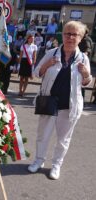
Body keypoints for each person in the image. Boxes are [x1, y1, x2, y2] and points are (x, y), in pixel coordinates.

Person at [28, 21, 92, 180]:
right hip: (49, 102)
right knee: (43, 135)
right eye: (67, 33)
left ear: (81, 37)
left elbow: (87, 82)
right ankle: (39, 161)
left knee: (63, 139)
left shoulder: (83, 58)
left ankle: (56, 165)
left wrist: (85, 74)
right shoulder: (51, 53)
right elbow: (37, 73)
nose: (70, 37)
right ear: (62, 35)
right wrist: (47, 65)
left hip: (69, 105)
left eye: (74, 34)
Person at [78, 28, 93, 104]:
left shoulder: (86, 39)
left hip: (82, 62)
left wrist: (83, 56)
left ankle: (81, 98)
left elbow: (88, 49)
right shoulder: (86, 38)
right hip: (83, 61)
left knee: (81, 80)